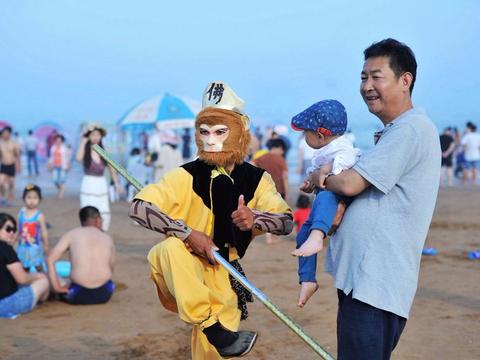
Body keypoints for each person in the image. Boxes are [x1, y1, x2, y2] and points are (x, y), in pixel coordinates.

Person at [129, 81, 293, 359]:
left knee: (212, 355)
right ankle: (210, 326)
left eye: (220, 131)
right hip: (183, 269)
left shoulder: (256, 180)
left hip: (225, 272)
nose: (210, 140)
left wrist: (256, 218)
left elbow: (286, 222)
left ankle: (215, 332)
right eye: (204, 132)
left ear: (240, 130)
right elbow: (138, 207)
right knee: (168, 248)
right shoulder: (185, 176)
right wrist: (187, 233)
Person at [312, 39, 440, 359]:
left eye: (376, 76)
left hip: (376, 285)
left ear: (405, 80)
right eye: (363, 77)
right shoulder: (396, 131)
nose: (367, 86)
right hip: (365, 282)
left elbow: (352, 183)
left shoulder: (410, 129)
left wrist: (322, 179)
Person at [290, 100, 361, 308]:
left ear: (320, 135)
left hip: (336, 197)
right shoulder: (324, 149)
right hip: (323, 199)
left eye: (306, 133)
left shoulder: (341, 146)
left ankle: (317, 235)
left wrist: (326, 172)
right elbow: (316, 175)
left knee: (322, 201)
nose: (304, 137)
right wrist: (310, 180)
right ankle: (308, 280)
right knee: (302, 234)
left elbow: (348, 160)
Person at [47, 206, 115, 305]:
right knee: (109, 282)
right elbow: (111, 267)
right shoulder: (107, 238)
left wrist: (57, 287)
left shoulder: (71, 234)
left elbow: (50, 259)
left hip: (78, 294)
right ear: (97, 220)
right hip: (105, 293)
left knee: (49, 277)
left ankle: (57, 289)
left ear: (82, 221)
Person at [0, 213, 49, 318]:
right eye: (8, 229)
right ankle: (42, 303)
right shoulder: (6, 250)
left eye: (14, 229)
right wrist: (38, 275)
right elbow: (22, 279)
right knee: (44, 281)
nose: (12, 233)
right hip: (5, 305)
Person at [76, 123, 122, 231]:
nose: (95, 137)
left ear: (101, 137)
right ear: (89, 136)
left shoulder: (104, 151)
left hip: (101, 183)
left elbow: (111, 168)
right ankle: (88, 232)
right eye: (93, 135)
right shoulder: (86, 150)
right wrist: (83, 141)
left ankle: (102, 231)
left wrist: (116, 184)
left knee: (103, 210)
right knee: (88, 209)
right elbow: (78, 158)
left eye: (98, 135)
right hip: (88, 183)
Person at [252, 138, 289, 245]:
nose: (282, 152)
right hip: (277, 190)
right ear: (279, 148)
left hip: (263, 189)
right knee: (276, 213)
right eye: (282, 150)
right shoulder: (280, 159)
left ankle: (268, 237)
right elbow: (285, 177)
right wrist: (287, 192)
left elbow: (251, 165)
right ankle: (272, 236)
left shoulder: (261, 157)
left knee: (266, 212)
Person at [16, 185, 49, 273]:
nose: (32, 201)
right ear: (24, 198)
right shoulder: (21, 213)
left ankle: (44, 279)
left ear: (40, 199)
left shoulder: (39, 215)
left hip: (34, 247)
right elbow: (17, 229)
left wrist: (46, 245)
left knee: (38, 266)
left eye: (35, 198)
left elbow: (44, 231)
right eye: (29, 197)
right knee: (24, 267)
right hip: (22, 246)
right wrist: (13, 240)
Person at [0, 126, 21, 206]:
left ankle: (10, 199)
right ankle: (2, 197)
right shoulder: (0, 143)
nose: (5, 135)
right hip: (3, 166)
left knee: (11, 184)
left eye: (7, 133)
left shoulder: (14, 143)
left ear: (9, 134)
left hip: (11, 165)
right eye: (3, 133)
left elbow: (17, 156)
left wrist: (19, 166)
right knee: (1, 183)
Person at [48, 134, 71, 199]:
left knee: (62, 180)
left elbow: (68, 158)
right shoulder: (53, 148)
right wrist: (49, 165)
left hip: (63, 166)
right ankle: (60, 189)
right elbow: (51, 157)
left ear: (62, 141)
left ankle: (61, 193)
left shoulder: (65, 148)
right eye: (57, 141)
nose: (58, 142)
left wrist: (68, 166)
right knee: (54, 180)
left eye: (59, 141)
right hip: (55, 166)